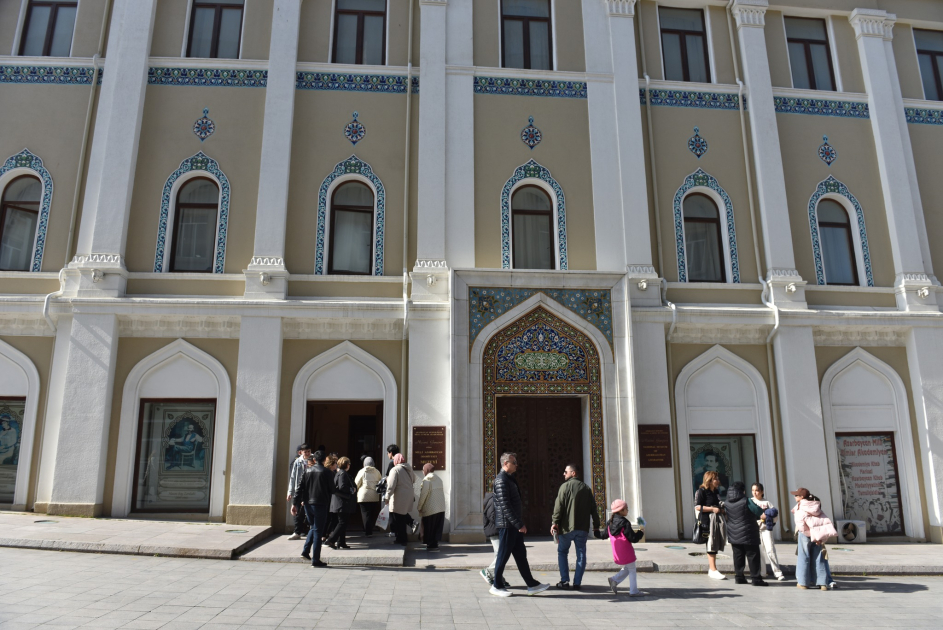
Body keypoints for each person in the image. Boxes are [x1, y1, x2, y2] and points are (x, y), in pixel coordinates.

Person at [489, 452, 550, 598]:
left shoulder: (509, 479)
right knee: (503, 555)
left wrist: (518, 524)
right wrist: (518, 524)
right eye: (514, 462)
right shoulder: (501, 480)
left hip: (513, 526)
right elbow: (505, 506)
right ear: (505, 464)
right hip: (507, 525)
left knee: (521, 555)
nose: (517, 464)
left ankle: (532, 585)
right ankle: (496, 585)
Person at [550, 463, 600, 590]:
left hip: (566, 528)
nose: (563, 474)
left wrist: (554, 522)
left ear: (573, 473)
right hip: (582, 528)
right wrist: (596, 526)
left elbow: (558, 507)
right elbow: (594, 509)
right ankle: (577, 583)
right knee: (581, 554)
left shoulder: (564, 487)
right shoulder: (586, 488)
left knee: (562, 552)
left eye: (565, 471)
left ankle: (565, 581)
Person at [291, 450, 335, 567]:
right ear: (325, 459)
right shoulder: (327, 472)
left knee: (314, 527)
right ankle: (315, 559)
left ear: (314, 459)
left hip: (307, 504)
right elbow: (332, 489)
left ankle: (305, 552)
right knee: (318, 531)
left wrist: (295, 504)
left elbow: (299, 489)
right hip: (320, 504)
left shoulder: (307, 471)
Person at [791, 488, 838, 591]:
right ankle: (822, 584)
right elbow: (821, 521)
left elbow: (800, 523)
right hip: (817, 536)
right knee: (818, 558)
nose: (795, 497)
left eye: (796, 495)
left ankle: (803, 583)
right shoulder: (815, 505)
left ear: (801, 497)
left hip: (805, 535)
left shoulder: (801, 507)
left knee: (803, 557)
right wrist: (817, 536)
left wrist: (807, 533)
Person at [724, 481, 768, 587]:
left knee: (738, 555)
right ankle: (756, 579)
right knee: (753, 555)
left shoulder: (726, 502)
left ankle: (739, 577)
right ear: (742, 491)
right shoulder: (746, 501)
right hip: (748, 532)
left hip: (733, 532)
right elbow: (759, 513)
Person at [600, 499, 646, 596]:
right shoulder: (625, 523)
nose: (627, 510)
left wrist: (596, 531)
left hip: (617, 551)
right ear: (621, 510)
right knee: (632, 569)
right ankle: (633, 591)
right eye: (626, 509)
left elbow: (604, 535)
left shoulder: (610, 522)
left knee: (629, 567)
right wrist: (641, 532)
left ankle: (614, 580)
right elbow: (632, 538)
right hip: (626, 550)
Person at [695, 470, 726, 580]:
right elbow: (698, 507)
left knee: (715, 543)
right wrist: (712, 509)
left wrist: (721, 510)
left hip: (717, 521)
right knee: (711, 544)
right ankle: (713, 569)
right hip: (707, 521)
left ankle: (712, 569)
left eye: (717, 479)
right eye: (715, 479)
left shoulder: (716, 492)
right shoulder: (702, 491)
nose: (718, 481)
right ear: (709, 480)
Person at [751, 482, 785, 581]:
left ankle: (777, 572)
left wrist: (766, 519)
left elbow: (775, 517)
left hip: (766, 529)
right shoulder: (751, 502)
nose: (755, 493)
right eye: (753, 490)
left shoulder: (767, 503)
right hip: (755, 529)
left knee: (770, 550)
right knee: (759, 551)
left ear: (762, 491)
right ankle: (762, 572)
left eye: (757, 490)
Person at [479, 493, 510, 589]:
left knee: (499, 554)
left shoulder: (497, 498)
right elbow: (492, 515)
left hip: (497, 529)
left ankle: (498, 577)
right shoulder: (493, 499)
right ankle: (488, 571)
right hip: (495, 530)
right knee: (501, 554)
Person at [325, 457, 357, 549]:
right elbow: (342, 487)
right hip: (342, 503)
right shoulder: (343, 474)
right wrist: (352, 489)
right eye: (349, 464)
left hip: (340, 503)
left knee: (343, 523)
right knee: (342, 523)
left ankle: (341, 542)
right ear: (347, 465)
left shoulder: (340, 473)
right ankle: (331, 540)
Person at [385, 453, 415, 546]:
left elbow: (391, 485)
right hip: (408, 495)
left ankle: (401, 539)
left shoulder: (395, 469)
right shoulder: (409, 468)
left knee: (399, 519)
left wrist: (387, 497)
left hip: (399, 496)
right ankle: (402, 538)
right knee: (402, 517)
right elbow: (414, 480)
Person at [417, 463, 446, 550]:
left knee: (429, 527)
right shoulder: (439, 479)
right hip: (440, 508)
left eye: (423, 470)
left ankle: (430, 544)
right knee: (437, 526)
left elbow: (423, 495)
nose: (422, 472)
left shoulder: (426, 480)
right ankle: (435, 543)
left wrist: (419, 507)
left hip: (430, 508)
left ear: (426, 470)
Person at [287, 443, 311, 540]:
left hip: (310, 490)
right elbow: (293, 477)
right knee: (297, 511)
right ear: (301, 452)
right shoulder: (298, 462)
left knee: (309, 511)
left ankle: (309, 531)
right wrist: (290, 492)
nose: (308, 453)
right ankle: (297, 532)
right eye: (305, 452)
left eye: (309, 451)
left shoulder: (313, 460)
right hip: (299, 489)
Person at [355, 456, 383, 536]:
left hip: (363, 496)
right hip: (374, 496)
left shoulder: (362, 471)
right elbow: (380, 482)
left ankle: (367, 531)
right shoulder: (377, 471)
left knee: (365, 513)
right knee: (372, 513)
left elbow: (356, 483)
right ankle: (370, 529)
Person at [322, 455, 339, 542]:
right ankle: (325, 534)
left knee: (328, 518)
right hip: (329, 497)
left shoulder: (326, 471)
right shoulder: (331, 473)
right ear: (331, 464)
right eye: (335, 463)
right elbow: (332, 487)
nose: (336, 465)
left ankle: (324, 534)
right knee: (330, 517)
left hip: (326, 497)